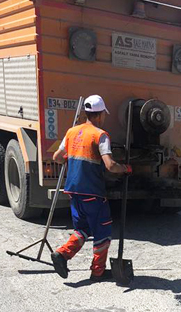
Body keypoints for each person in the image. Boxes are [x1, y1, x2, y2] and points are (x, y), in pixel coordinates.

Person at [50, 95, 131, 281]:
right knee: (103, 231)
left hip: (73, 191)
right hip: (92, 192)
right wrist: (125, 168)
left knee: (83, 228)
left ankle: (62, 254)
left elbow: (56, 157)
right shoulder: (100, 135)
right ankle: (98, 272)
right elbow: (110, 165)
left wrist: (72, 160)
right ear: (100, 114)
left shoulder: (71, 132)